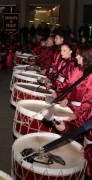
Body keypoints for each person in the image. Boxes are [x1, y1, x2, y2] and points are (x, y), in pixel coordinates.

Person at [54, 45, 92, 179]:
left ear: (86, 58)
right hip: (80, 118)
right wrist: (67, 100)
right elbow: (74, 90)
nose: (76, 57)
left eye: (79, 55)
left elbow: (87, 106)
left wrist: (72, 123)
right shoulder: (85, 72)